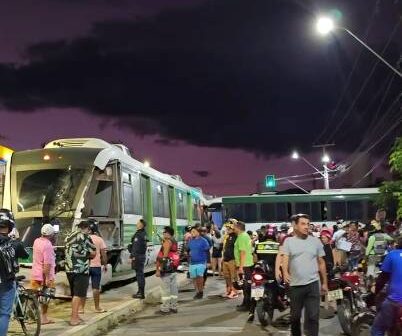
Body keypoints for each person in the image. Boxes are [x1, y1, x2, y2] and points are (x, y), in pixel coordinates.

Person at [282, 214, 328, 336]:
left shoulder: (316, 241)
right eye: (303, 224)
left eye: (308, 224)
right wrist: (285, 272)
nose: (306, 227)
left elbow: (322, 263)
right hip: (295, 286)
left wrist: (324, 283)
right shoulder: (288, 242)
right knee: (295, 318)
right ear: (295, 226)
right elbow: (285, 259)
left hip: (313, 284)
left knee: (313, 317)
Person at [0, 209, 28, 336]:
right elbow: (26, 255)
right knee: (4, 314)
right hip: (6, 283)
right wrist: (17, 239)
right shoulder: (14, 244)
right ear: (10, 226)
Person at [65, 220, 96, 326]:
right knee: (78, 295)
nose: (89, 231)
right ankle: (73, 319)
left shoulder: (69, 236)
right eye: (89, 230)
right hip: (81, 269)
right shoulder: (85, 237)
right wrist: (87, 254)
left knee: (74, 294)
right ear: (87, 228)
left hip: (69, 269)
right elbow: (93, 253)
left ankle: (76, 315)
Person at [371, 236, 402, 336]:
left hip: (395, 301)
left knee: (377, 328)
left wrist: (375, 293)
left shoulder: (392, 255)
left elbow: (381, 280)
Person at [249, 226, 280, 322]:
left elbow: (255, 259)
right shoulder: (278, 245)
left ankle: (251, 312)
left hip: (259, 271)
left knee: (255, 290)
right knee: (276, 289)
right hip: (272, 273)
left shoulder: (259, 245)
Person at [31, 223, 56, 325]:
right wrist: (46, 279)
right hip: (45, 276)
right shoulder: (48, 245)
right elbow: (47, 264)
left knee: (33, 297)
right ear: (51, 234)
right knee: (45, 298)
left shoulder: (36, 241)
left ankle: (31, 317)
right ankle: (44, 318)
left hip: (35, 274)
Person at [80, 220, 108, 313]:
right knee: (95, 288)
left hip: (85, 266)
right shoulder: (99, 239)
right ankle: (97, 308)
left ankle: (81, 308)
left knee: (83, 287)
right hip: (96, 266)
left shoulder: (84, 238)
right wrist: (105, 264)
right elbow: (103, 254)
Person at [156, 226, 179, 314]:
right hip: (173, 268)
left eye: (164, 232)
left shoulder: (167, 242)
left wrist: (158, 269)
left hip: (166, 269)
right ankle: (174, 307)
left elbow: (164, 257)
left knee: (165, 290)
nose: (163, 234)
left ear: (168, 233)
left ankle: (165, 308)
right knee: (173, 289)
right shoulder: (174, 241)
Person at [233, 221, 254, 312]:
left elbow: (242, 253)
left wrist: (240, 267)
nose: (233, 228)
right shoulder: (245, 236)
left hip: (244, 265)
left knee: (246, 286)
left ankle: (247, 305)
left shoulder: (242, 237)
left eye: (234, 227)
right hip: (247, 264)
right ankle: (245, 303)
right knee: (246, 285)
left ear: (238, 227)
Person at [187, 226, 211, 299]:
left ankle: (201, 292)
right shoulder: (190, 241)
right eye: (191, 232)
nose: (192, 233)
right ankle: (197, 292)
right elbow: (188, 250)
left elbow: (207, 251)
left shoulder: (203, 241)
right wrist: (188, 254)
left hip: (201, 262)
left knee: (199, 277)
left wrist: (208, 262)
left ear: (198, 232)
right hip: (192, 262)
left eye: (194, 232)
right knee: (194, 278)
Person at [130, 219, 148, 299]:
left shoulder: (138, 234)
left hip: (137, 256)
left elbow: (136, 247)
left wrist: (132, 256)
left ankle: (141, 293)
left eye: (138, 223)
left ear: (141, 225)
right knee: (140, 273)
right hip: (141, 256)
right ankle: (140, 291)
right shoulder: (143, 233)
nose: (136, 224)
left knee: (139, 274)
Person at [222, 221, 238, 299]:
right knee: (226, 276)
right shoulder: (227, 237)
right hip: (226, 259)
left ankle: (234, 291)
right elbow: (225, 248)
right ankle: (229, 290)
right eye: (227, 228)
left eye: (229, 227)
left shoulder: (236, 236)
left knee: (233, 277)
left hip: (232, 259)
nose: (227, 229)